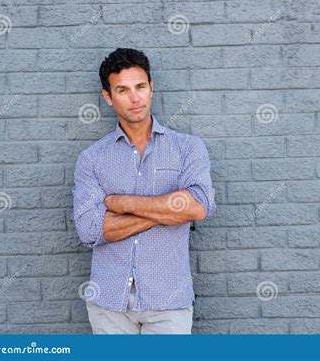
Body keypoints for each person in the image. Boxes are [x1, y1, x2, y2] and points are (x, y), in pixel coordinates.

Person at [72, 48, 216, 334]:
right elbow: (89, 229)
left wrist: (119, 202)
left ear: (152, 88)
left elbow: (198, 206)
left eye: (140, 87)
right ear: (108, 97)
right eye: (123, 90)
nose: (135, 98)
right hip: (109, 302)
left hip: (169, 300)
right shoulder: (92, 159)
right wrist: (168, 212)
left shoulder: (187, 148)